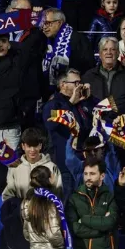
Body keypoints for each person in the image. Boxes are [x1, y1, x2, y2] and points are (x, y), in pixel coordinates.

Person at [0, 29, 46, 188]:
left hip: (9, 130)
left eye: (4, 41)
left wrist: (14, 43)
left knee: (11, 180)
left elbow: (35, 41)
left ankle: (9, 206)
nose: (0, 45)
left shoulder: (17, 62)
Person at [42, 68, 96, 199]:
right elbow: (51, 125)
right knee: (67, 200)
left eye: (80, 82)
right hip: (65, 163)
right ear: (63, 85)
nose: (79, 86)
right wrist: (70, 103)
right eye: (76, 83)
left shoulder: (83, 102)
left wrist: (90, 98)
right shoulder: (53, 104)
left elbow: (102, 114)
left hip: (84, 161)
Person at [82, 37, 125, 114]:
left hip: (123, 120)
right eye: (105, 49)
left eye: (113, 49)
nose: (108, 52)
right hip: (95, 119)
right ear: (100, 54)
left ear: (118, 53)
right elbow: (83, 104)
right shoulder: (88, 76)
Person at [66, 159, 118, 249]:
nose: (88, 178)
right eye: (85, 174)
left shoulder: (109, 197)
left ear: (102, 176)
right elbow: (75, 229)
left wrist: (83, 219)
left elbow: (110, 223)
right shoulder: (74, 198)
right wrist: (103, 231)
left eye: (92, 174)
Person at [3, 127, 63, 201]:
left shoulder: (52, 167)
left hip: (45, 207)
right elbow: (8, 195)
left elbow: (58, 195)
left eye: (35, 146)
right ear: (23, 146)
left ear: (40, 146)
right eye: (29, 146)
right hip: (19, 207)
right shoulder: (14, 167)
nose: (32, 150)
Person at [41, 8, 96, 88]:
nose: (44, 27)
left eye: (48, 23)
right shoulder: (44, 41)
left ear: (59, 23)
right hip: (50, 90)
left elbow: (88, 66)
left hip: (74, 88)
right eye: (43, 23)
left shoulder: (78, 39)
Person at [20, 165, 66, 249]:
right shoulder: (51, 202)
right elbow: (53, 234)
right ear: (49, 179)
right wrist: (62, 245)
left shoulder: (27, 202)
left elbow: (26, 233)